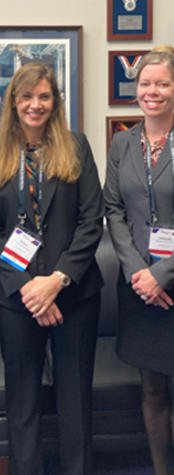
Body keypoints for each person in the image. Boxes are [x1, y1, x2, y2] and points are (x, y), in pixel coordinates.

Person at [0, 62, 103, 475]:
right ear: (13, 102)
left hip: (75, 295)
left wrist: (56, 280)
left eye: (44, 96)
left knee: (75, 400)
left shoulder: (77, 146)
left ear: (55, 102)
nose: (36, 105)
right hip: (17, 299)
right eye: (27, 96)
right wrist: (30, 289)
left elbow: (91, 220)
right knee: (23, 400)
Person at [104, 50, 174, 475]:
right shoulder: (122, 143)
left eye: (163, 84)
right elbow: (113, 210)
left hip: (170, 279)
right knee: (151, 387)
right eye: (145, 84)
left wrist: (162, 274)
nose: (153, 92)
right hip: (138, 286)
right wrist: (139, 273)